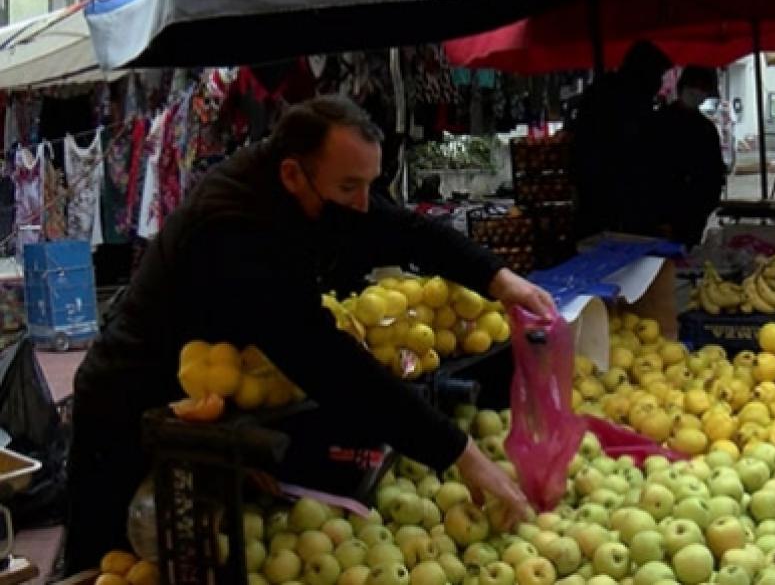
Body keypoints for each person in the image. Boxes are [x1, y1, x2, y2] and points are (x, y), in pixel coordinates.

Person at [65, 96, 552, 571]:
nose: (363, 205)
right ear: (292, 174)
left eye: (369, 184)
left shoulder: (325, 190)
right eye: (349, 188)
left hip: (209, 402)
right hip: (131, 407)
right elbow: (325, 361)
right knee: (116, 565)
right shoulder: (234, 230)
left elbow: (406, 231)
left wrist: (498, 279)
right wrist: (457, 451)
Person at [569, 41, 673, 239]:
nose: (659, 83)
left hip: (615, 201)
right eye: (658, 74)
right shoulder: (620, 100)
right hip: (612, 204)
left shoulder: (618, 95)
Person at [640, 65, 727, 246]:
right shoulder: (659, 123)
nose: (698, 93)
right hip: (663, 211)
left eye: (703, 88)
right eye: (694, 86)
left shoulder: (707, 129)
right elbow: (650, 171)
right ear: (682, 87)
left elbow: (714, 171)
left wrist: (708, 206)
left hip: (695, 213)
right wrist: (659, 216)